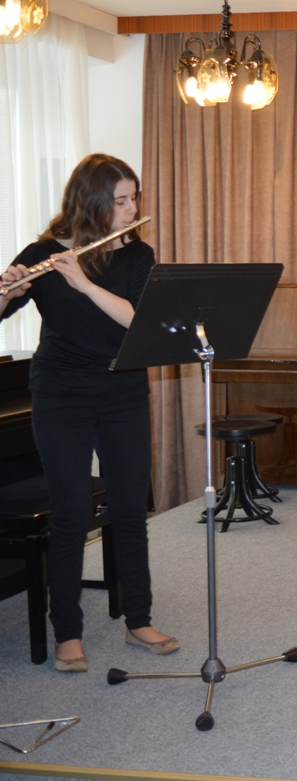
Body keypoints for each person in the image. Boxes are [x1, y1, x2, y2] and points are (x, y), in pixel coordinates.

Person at [0, 154, 179, 672]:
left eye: (134, 198)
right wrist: (9, 291)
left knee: (129, 508)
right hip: (61, 394)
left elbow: (138, 321)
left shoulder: (137, 255)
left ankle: (139, 621)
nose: (132, 209)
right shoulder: (43, 253)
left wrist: (83, 282)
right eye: (120, 201)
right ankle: (68, 632)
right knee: (72, 512)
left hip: (122, 390)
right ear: (92, 202)